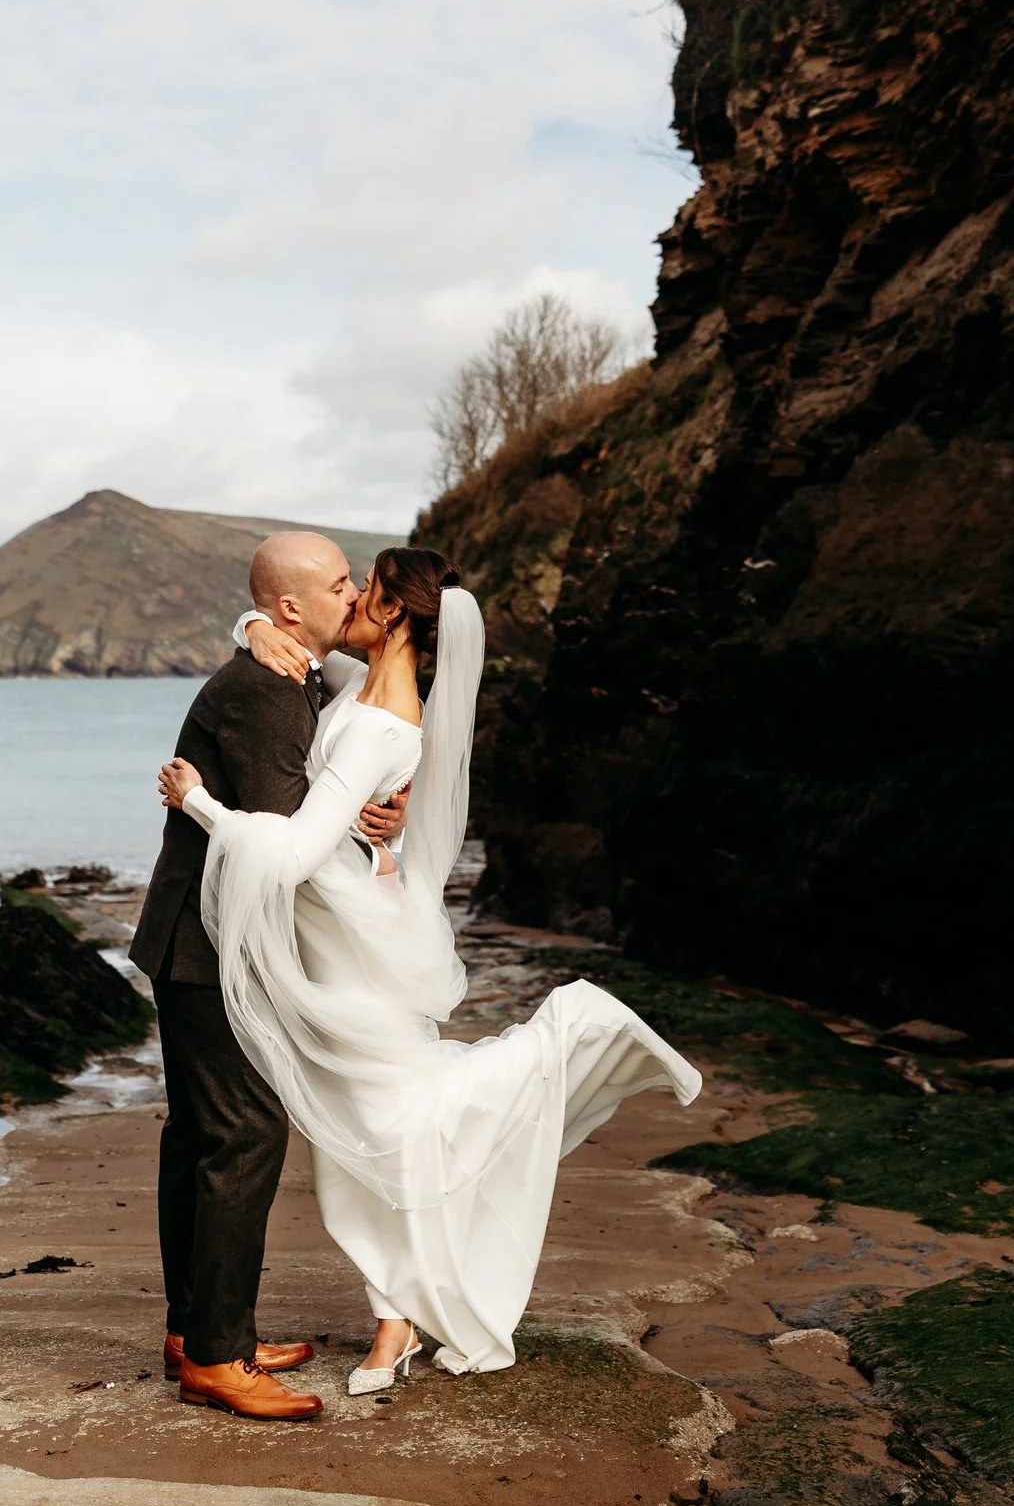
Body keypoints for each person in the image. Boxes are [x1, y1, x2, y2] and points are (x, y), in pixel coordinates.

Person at [158, 545, 700, 1400]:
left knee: (370, 1115)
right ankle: (247, 1334)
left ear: (396, 615)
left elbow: (296, 841)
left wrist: (200, 802)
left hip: (336, 933)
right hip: (304, 930)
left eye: (362, 587)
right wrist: (252, 622)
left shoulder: (370, 708)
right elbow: (286, 651)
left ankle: (334, 1318)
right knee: (295, 1125)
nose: (353, 599)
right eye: (342, 586)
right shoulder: (335, 680)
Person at [130, 531, 406, 1423]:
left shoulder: (298, 675)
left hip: (196, 940)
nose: (354, 592)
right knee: (243, 1134)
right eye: (337, 584)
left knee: (202, 1133)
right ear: (291, 610)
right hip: (206, 949)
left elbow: (320, 778)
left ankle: (198, 1329)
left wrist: (374, 817)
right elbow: (287, 845)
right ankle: (218, 1355)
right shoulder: (264, 689)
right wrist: (366, 843)